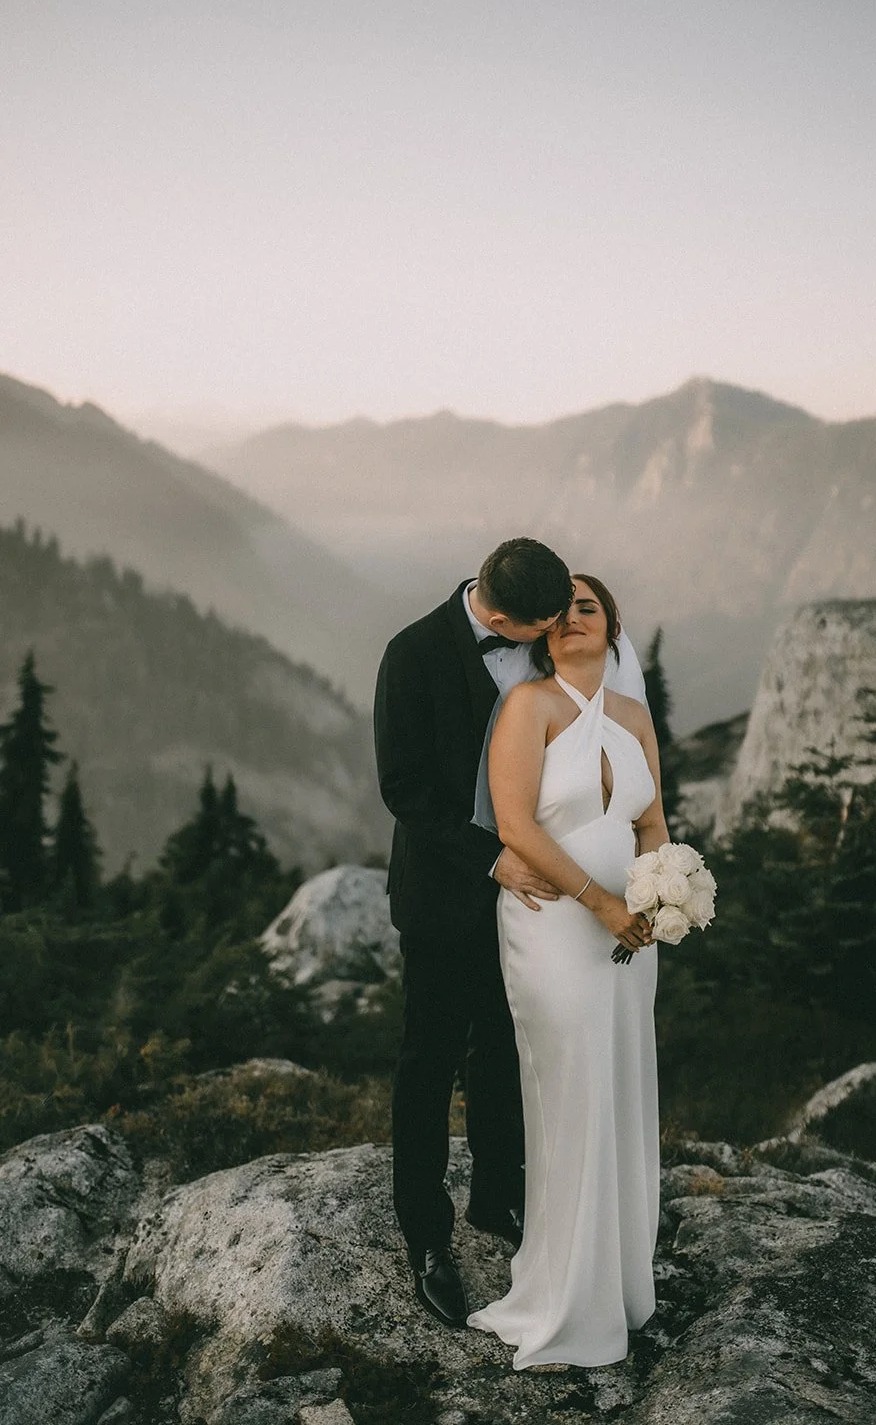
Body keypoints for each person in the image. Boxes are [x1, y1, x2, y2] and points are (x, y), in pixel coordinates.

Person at [467, 574, 668, 1370]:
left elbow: (650, 819)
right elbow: (513, 823)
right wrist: (600, 902)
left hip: (628, 933)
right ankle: (563, 1295)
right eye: (560, 613)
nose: (571, 620)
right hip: (553, 924)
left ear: (613, 626)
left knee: (618, 1084)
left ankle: (618, 1285)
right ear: (541, 633)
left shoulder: (634, 717)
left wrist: (660, 892)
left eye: (588, 607)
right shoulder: (530, 707)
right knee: (571, 1087)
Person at [374, 537, 572, 1328]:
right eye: (537, 628)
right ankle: (425, 1235)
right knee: (428, 1060)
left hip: (531, 901)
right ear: (496, 615)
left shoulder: (543, 638)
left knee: (504, 1048)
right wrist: (495, 862)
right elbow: (405, 790)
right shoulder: (412, 653)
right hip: (443, 896)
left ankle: (497, 1200)